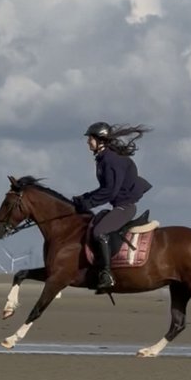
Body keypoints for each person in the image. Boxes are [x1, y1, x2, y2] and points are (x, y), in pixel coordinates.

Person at [72, 121, 153, 290]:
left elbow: (110, 192)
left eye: (90, 138)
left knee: (99, 232)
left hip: (125, 207)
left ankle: (106, 274)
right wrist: (85, 198)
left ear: (100, 140)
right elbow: (105, 189)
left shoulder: (111, 160)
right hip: (119, 205)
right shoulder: (104, 159)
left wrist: (88, 203)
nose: (87, 142)